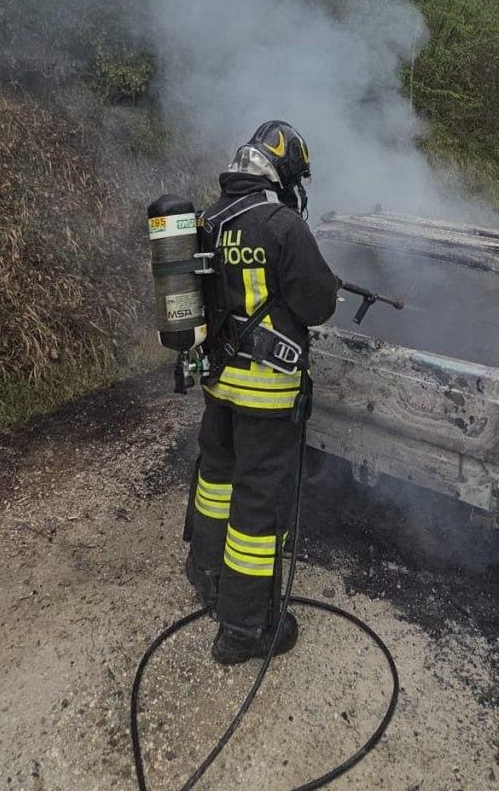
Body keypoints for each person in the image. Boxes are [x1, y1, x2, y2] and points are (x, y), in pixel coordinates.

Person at [185, 120, 341, 665]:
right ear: (285, 172)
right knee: (259, 502)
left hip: (217, 383)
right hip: (267, 395)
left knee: (215, 480)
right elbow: (318, 305)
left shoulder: (208, 220)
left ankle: (208, 577)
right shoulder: (283, 226)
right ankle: (245, 630)